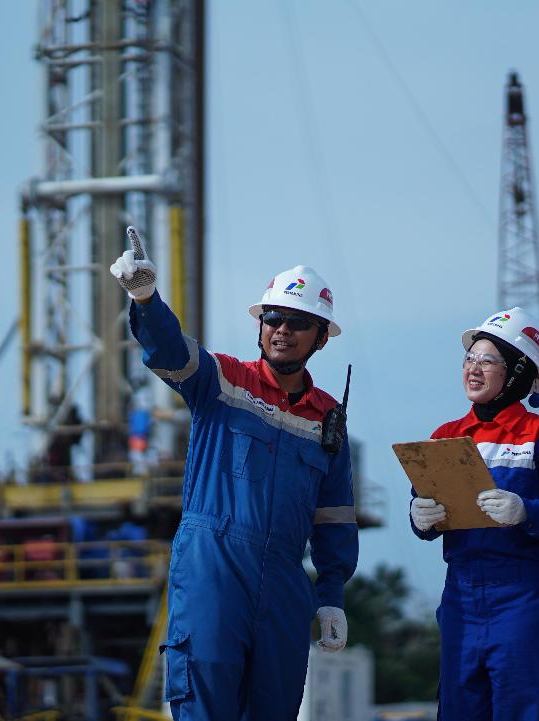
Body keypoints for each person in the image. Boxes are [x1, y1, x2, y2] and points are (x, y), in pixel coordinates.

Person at [110, 227, 358, 721]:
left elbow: (334, 517)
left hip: (286, 579)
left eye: (297, 322)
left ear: (321, 339)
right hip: (214, 567)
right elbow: (170, 351)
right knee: (204, 701)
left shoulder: (328, 420)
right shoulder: (221, 381)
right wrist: (145, 297)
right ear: (261, 325)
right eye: (273, 318)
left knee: (275, 707)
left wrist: (331, 595)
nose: (281, 330)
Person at [409, 307, 539, 721]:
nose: (473, 369)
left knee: (528, 708)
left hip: (526, 600)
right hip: (460, 600)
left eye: (487, 360)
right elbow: (426, 506)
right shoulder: (444, 438)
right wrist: (419, 515)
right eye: (469, 359)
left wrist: (527, 511)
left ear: (516, 373)